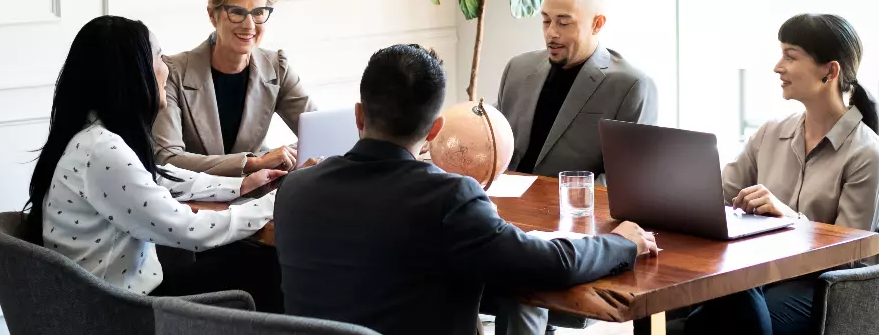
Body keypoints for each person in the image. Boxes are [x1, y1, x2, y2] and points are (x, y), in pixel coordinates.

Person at [273, 44, 658, 335]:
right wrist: (624, 241)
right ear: (436, 129)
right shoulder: (447, 198)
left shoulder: (295, 190)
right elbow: (549, 263)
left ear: (359, 114)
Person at [21, 15, 287, 313]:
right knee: (265, 265)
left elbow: (159, 178)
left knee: (248, 260)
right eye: (159, 56)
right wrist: (273, 204)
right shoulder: (102, 150)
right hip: (122, 312)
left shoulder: (92, 135)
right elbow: (188, 229)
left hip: (110, 297)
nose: (167, 67)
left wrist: (241, 185)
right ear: (133, 72)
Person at [648, 13, 879, 335]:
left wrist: (789, 218)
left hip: (820, 288)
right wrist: (669, 190)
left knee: (715, 310)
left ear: (829, 72)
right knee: (703, 294)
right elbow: (717, 197)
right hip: (761, 277)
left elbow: (848, 253)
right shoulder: (770, 133)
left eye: (790, 56)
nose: (778, 67)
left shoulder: (867, 154)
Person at [494, 0, 658, 186]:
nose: (551, 33)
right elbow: (492, 139)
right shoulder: (517, 68)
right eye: (546, 21)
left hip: (575, 212)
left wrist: (568, 205)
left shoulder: (631, 87)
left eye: (564, 23)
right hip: (502, 207)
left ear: (597, 24)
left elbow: (625, 179)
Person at [155, 0, 316, 176]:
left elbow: (319, 134)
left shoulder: (277, 66)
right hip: (197, 201)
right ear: (213, 15)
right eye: (237, 12)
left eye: (259, 12)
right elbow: (167, 158)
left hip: (257, 197)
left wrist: (284, 157)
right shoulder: (173, 71)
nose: (249, 25)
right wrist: (253, 163)